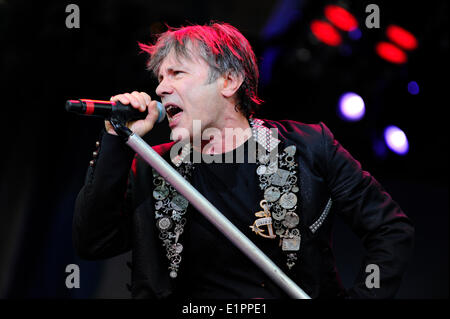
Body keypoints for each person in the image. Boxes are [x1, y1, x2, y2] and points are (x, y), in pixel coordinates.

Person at [72, 22, 414, 299]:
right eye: (159, 78)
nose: (161, 88)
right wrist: (117, 139)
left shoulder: (309, 147)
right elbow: (93, 241)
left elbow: (390, 229)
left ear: (229, 81)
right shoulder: (154, 166)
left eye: (176, 73)